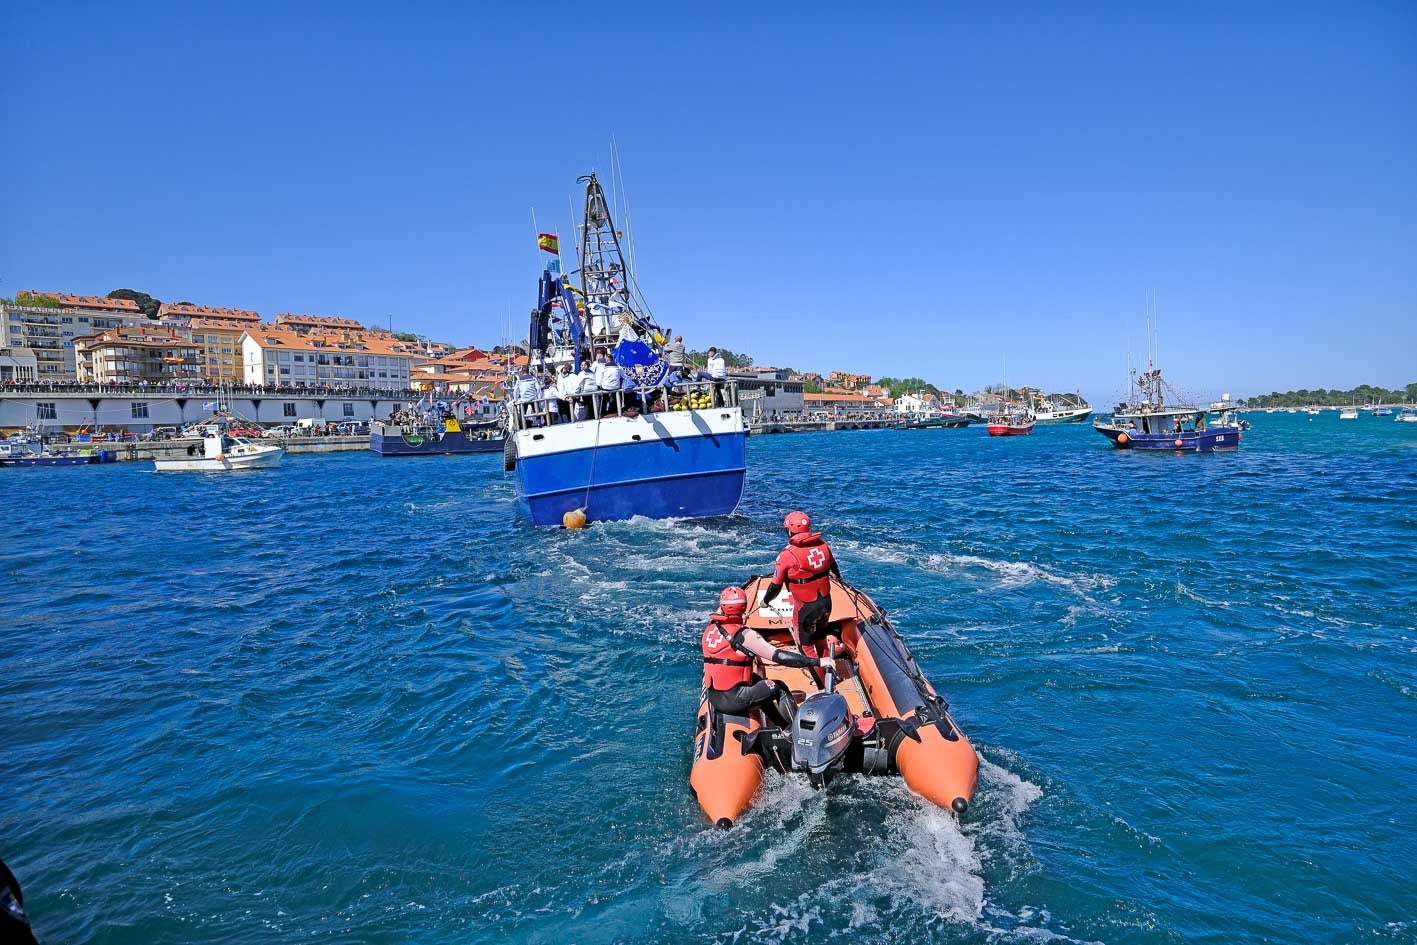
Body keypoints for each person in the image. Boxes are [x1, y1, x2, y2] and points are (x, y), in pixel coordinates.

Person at [702, 586, 834, 728]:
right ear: (744, 607)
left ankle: (782, 726)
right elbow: (780, 656)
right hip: (735, 700)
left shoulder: (710, 630)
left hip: (715, 699)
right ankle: (796, 730)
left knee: (758, 681)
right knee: (779, 687)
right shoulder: (746, 636)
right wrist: (818, 661)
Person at [762, 511, 843, 657]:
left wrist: (765, 601)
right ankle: (829, 669)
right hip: (825, 603)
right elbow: (834, 567)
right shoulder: (823, 546)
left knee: (806, 648)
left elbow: (775, 586)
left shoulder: (787, 555)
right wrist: (839, 579)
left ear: (789, 530)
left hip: (806, 608)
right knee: (820, 639)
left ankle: (819, 678)